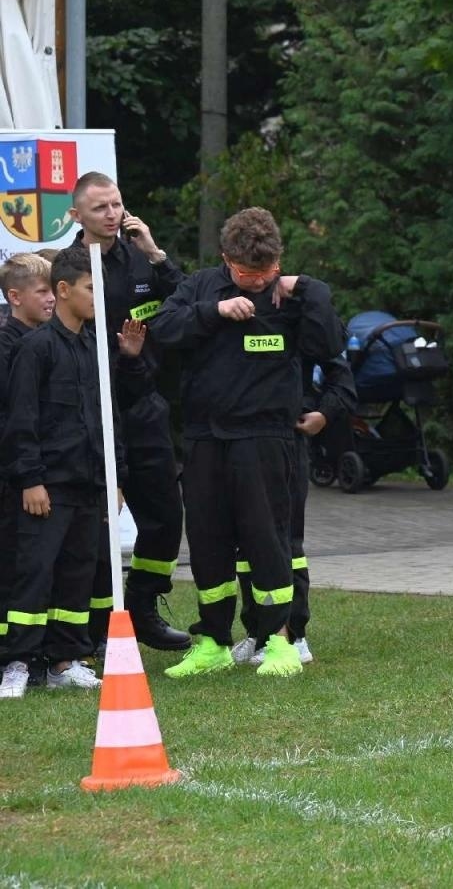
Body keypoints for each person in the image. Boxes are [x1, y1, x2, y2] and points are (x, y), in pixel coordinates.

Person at [150, 208, 345, 679]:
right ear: (226, 260)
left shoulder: (293, 298)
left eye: (267, 273)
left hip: (265, 439)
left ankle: (279, 640)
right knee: (208, 542)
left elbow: (328, 345)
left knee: (268, 541)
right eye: (246, 275)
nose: (257, 283)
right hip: (204, 439)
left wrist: (309, 290)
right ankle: (212, 640)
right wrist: (214, 311)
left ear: (279, 261)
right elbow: (162, 330)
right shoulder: (200, 287)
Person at [0, 247, 144, 698]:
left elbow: (109, 419)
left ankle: (65, 659)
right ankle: (17, 663)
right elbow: (20, 420)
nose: (98, 297)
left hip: (90, 485)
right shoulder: (34, 349)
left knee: (78, 574)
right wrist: (30, 479)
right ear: (64, 291)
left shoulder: (95, 346)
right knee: (34, 573)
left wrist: (115, 478)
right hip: (48, 487)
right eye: (90, 289)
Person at [69, 173, 192, 651]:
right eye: (100, 207)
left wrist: (157, 254)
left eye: (117, 204)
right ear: (77, 215)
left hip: (142, 406)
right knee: (96, 520)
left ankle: (143, 607)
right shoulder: (69, 265)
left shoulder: (142, 259)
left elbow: (184, 302)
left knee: (163, 515)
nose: (112, 214)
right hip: (90, 411)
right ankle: (96, 627)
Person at [232, 351, 357, 667]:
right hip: (242, 437)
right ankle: (259, 631)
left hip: (287, 438)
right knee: (248, 543)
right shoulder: (235, 307)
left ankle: (295, 634)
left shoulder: (308, 313)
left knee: (285, 541)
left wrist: (324, 414)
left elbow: (340, 376)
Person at [0, 253, 55, 656]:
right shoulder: (9, 348)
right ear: (15, 297)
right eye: (43, 292)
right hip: (13, 475)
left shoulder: (51, 341)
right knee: (12, 562)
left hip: (39, 469)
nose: (52, 298)